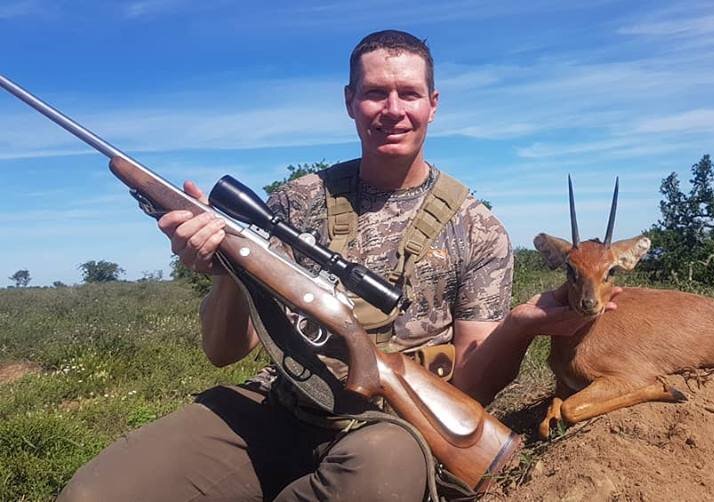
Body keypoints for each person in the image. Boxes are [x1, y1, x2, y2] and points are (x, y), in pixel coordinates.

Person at [58, 30, 615, 501]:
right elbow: (224, 351)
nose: (392, 110)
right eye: (375, 93)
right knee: (96, 492)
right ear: (350, 101)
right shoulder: (293, 202)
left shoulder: (477, 227)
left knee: (376, 474)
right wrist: (226, 268)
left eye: (408, 94)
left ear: (433, 103)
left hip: (393, 426)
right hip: (279, 400)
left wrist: (519, 326)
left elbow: (472, 392)